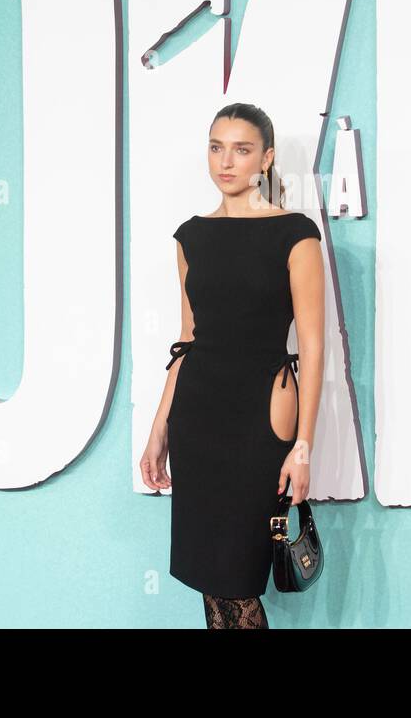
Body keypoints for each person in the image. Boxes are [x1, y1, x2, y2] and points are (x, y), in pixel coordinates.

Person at [139, 103, 325, 629]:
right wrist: (159, 430)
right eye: (216, 147)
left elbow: (313, 349)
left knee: (236, 579)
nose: (227, 161)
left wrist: (303, 447)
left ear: (266, 158)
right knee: (210, 581)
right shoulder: (190, 236)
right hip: (197, 417)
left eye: (242, 149)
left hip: (260, 420)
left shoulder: (296, 233)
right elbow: (188, 339)